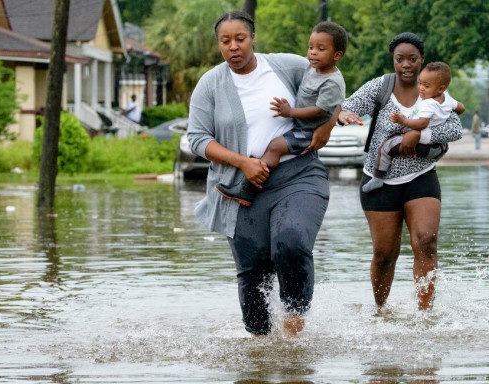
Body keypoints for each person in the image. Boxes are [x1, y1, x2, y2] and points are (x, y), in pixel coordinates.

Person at [187, 11, 338, 337]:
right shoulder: (210, 85)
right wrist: (242, 161)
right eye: (225, 42)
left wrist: (325, 127)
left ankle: (295, 331)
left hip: (298, 175)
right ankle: (260, 350)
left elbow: (331, 88)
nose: (233, 47)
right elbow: (197, 139)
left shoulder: (289, 66)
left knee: (291, 243)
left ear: (252, 37)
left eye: (240, 39)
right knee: (252, 273)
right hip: (242, 187)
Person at [338, 32, 463, 310]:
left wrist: (419, 135)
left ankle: (424, 316)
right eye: (400, 59)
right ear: (393, 61)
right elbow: (345, 107)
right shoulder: (380, 87)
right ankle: (381, 311)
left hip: (421, 176)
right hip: (379, 180)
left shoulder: (436, 92)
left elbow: (455, 130)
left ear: (422, 61)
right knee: (384, 254)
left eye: (412, 59)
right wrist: (343, 115)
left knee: (426, 241)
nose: (406, 65)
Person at [215, 21, 347, 207]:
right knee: (273, 147)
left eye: (320, 49)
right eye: (310, 47)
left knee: (275, 147)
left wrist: (290, 112)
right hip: (301, 126)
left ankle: (248, 189)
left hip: (309, 130)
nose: (313, 53)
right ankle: (254, 182)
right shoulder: (311, 67)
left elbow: (321, 110)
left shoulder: (332, 81)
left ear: (337, 55)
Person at [361, 62, 465, 193]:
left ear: (440, 88)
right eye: (420, 83)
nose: (421, 88)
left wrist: (404, 120)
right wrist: (445, 114)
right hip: (432, 145)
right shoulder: (447, 99)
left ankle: (377, 178)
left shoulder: (429, 104)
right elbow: (461, 107)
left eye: (426, 86)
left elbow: (422, 124)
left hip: (418, 137)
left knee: (385, 148)